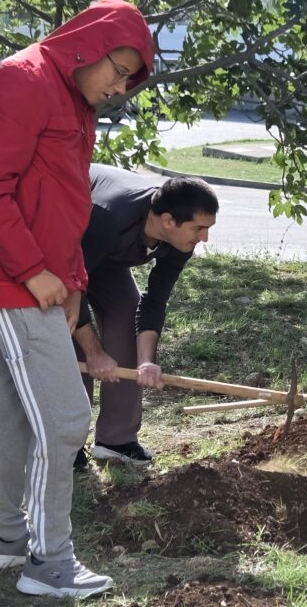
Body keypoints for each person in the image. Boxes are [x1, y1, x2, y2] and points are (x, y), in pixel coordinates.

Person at [0, 0, 155, 597]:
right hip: (10, 283)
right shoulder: (24, 79)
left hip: (42, 283)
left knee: (14, 410)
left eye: (129, 79)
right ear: (88, 44)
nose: (119, 87)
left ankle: (5, 542)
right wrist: (34, 273)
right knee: (67, 418)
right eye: (117, 70)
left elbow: (66, 201)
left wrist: (71, 281)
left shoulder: (73, 101)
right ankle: (50, 562)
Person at [73, 164, 218, 466]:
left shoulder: (181, 237)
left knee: (127, 311)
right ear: (167, 220)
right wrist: (95, 352)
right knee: (69, 332)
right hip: (65, 257)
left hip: (106, 258)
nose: (204, 238)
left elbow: (154, 301)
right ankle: (66, 443)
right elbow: (68, 287)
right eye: (199, 229)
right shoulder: (108, 219)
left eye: (207, 228)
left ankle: (116, 440)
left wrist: (146, 361)